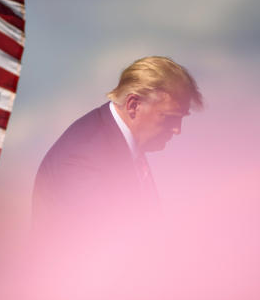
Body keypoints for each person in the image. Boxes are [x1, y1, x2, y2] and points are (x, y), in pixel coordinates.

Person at [32, 56, 203, 229]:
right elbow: (107, 244)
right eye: (169, 118)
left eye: (181, 119)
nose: (177, 130)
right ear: (133, 105)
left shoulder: (120, 143)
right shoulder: (83, 158)